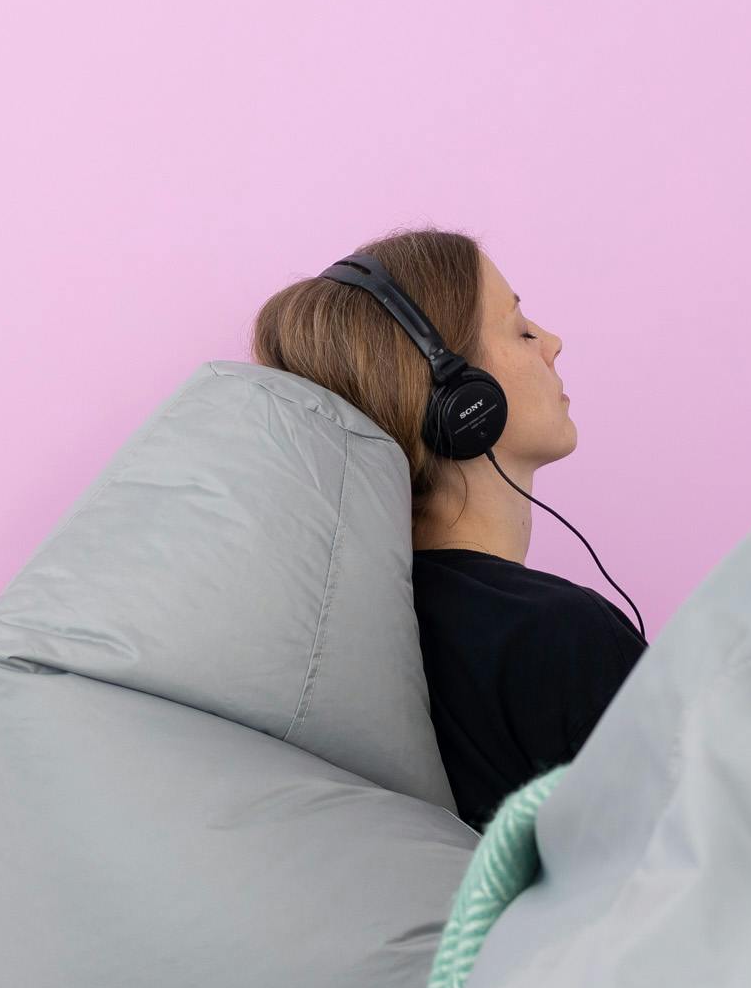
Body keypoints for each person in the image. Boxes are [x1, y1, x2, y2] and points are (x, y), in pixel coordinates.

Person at [253, 228, 646, 829]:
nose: (554, 343)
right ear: (462, 399)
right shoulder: (558, 637)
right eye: (521, 329)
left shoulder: (339, 630)